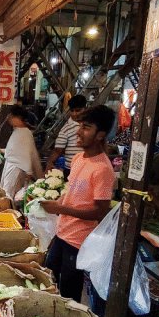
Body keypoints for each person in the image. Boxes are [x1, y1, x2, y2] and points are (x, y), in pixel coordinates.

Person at [41, 106, 116, 302]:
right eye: (80, 126)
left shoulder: (103, 169)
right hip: (62, 233)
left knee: (69, 293)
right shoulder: (77, 158)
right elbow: (70, 189)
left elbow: (100, 212)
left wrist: (61, 209)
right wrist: (58, 202)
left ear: (100, 135)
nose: (78, 132)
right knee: (48, 279)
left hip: (79, 242)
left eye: (86, 128)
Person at [0, 106, 43, 200]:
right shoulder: (18, 131)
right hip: (11, 166)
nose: (9, 119)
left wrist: (29, 172)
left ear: (18, 118)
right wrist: (1, 150)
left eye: (11, 116)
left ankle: (10, 214)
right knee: (7, 194)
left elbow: (27, 153)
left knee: (9, 196)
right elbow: (15, 150)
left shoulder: (25, 133)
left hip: (17, 169)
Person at [45, 95, 86, 177]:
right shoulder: (66, 129)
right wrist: (49, 163)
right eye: (72, 111)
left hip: (88, 169)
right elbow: (58, 150)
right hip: (72, 170)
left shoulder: (91, 126)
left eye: (78, 111)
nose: (74, 114)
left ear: (85, 108)